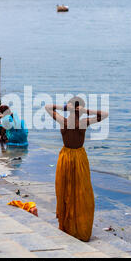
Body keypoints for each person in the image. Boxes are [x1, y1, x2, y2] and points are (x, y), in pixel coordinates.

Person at [45, 97, 108, 242]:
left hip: (66, 157)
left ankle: (68, 227)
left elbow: (48, 107)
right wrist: (86, 111)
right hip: (78, 158)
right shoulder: (84, 122)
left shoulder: (63, 120)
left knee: (66, 191)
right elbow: (104, 114)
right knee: (81, 192)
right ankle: (78, 228)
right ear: (80, 110)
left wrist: (64, 108)